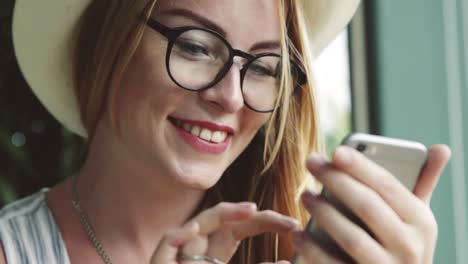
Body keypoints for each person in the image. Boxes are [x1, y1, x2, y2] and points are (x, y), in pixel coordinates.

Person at [1, 0, 450, 263]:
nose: (231, 97)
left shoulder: (300, 252)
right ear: (106, 44)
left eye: (264, 67)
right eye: (195, 47)